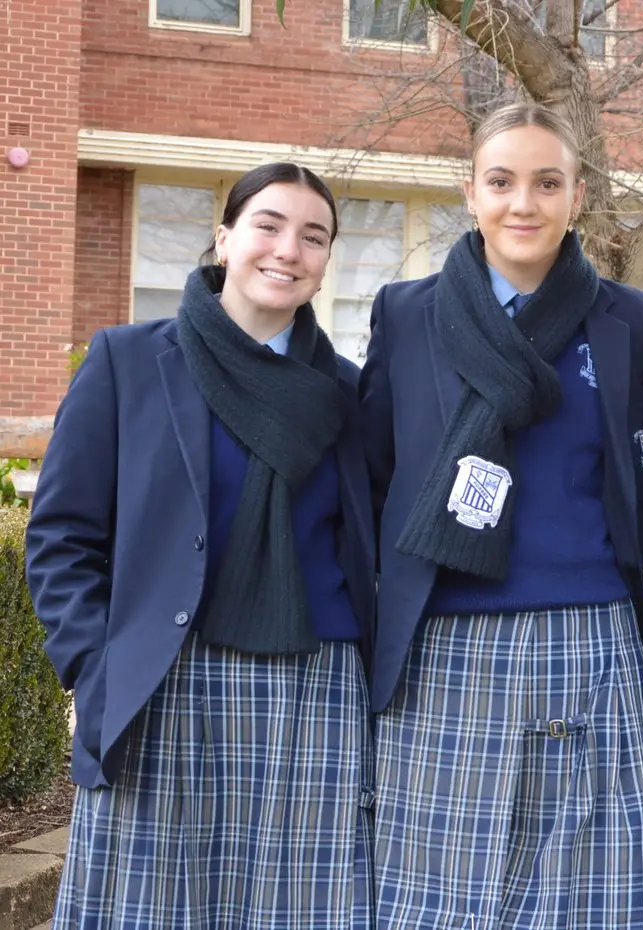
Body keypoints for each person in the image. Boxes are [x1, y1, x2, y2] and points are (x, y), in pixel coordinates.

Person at [27, 162, 378, 928]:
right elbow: (61, 537)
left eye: (313, 237)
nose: (289, 249)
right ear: (224, 238)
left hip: (317, 688)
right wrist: (93, 669)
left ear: (325, 261)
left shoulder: (352, 395)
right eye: (268, 225)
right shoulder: (128, 361)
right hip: (165, 683)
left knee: (301, 909)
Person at [363, 102, 643, 929]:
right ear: (471, 192)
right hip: (443, 640)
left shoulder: (633, 322)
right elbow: (372, 474)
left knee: (589, 896)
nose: (522, 204)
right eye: (500, 182)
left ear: (577, 195)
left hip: (588, 637)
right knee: (436, 898)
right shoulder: (405, 312)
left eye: (546, 182)